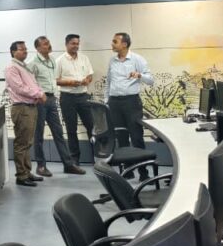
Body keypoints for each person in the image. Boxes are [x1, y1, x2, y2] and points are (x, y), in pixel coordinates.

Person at [28, 36, 84, 177]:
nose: (48, 45)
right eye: (45, 44)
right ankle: (41, 166)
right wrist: (38, 95)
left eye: (48, 43)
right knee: (38, 134)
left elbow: (53, 80)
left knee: (58, 132)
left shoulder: (52, 60)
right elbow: (30, 84)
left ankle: (68, 164)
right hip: (40, 101)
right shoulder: (33, 64)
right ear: (38, 48)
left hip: (52, 99)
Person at [106, 32, 154, 177]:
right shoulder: (112, 61)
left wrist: (139, 75)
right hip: (114, 103)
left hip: (131, 102)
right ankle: (128, 171)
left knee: (136, 137)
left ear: (124, 44)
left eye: (115, 41)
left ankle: (143, 172)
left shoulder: (137, 59)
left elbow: (151, 80)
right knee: (121, 137)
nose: (112, 44)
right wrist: (107, 100)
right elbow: (109, 82)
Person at [5, 40, 46, 187]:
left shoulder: (24, 66)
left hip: (30, 107)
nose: (25, 51)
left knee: (28, 142)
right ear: (13, 52)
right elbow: (19, 88)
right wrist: (38, 94)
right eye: (21, 49)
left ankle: (27, 172)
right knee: (22, 143)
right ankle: (21, 176)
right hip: (22, 108)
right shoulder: (12, 68)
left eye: (25, 49)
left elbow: (33, 84)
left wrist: (39, 92)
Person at [56, 33, 95, 167]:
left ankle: (97, 156)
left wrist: (87, 80)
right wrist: (70, 82)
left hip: (83, 96)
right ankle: (75, 159)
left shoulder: (84, 58)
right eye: (73, 43)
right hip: (67, 98)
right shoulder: (60, 60)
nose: (76, 46)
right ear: (66, 44)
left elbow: (90, 75)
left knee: (92, 127)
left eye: (77, 43)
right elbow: (56, 80)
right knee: (71, 129)